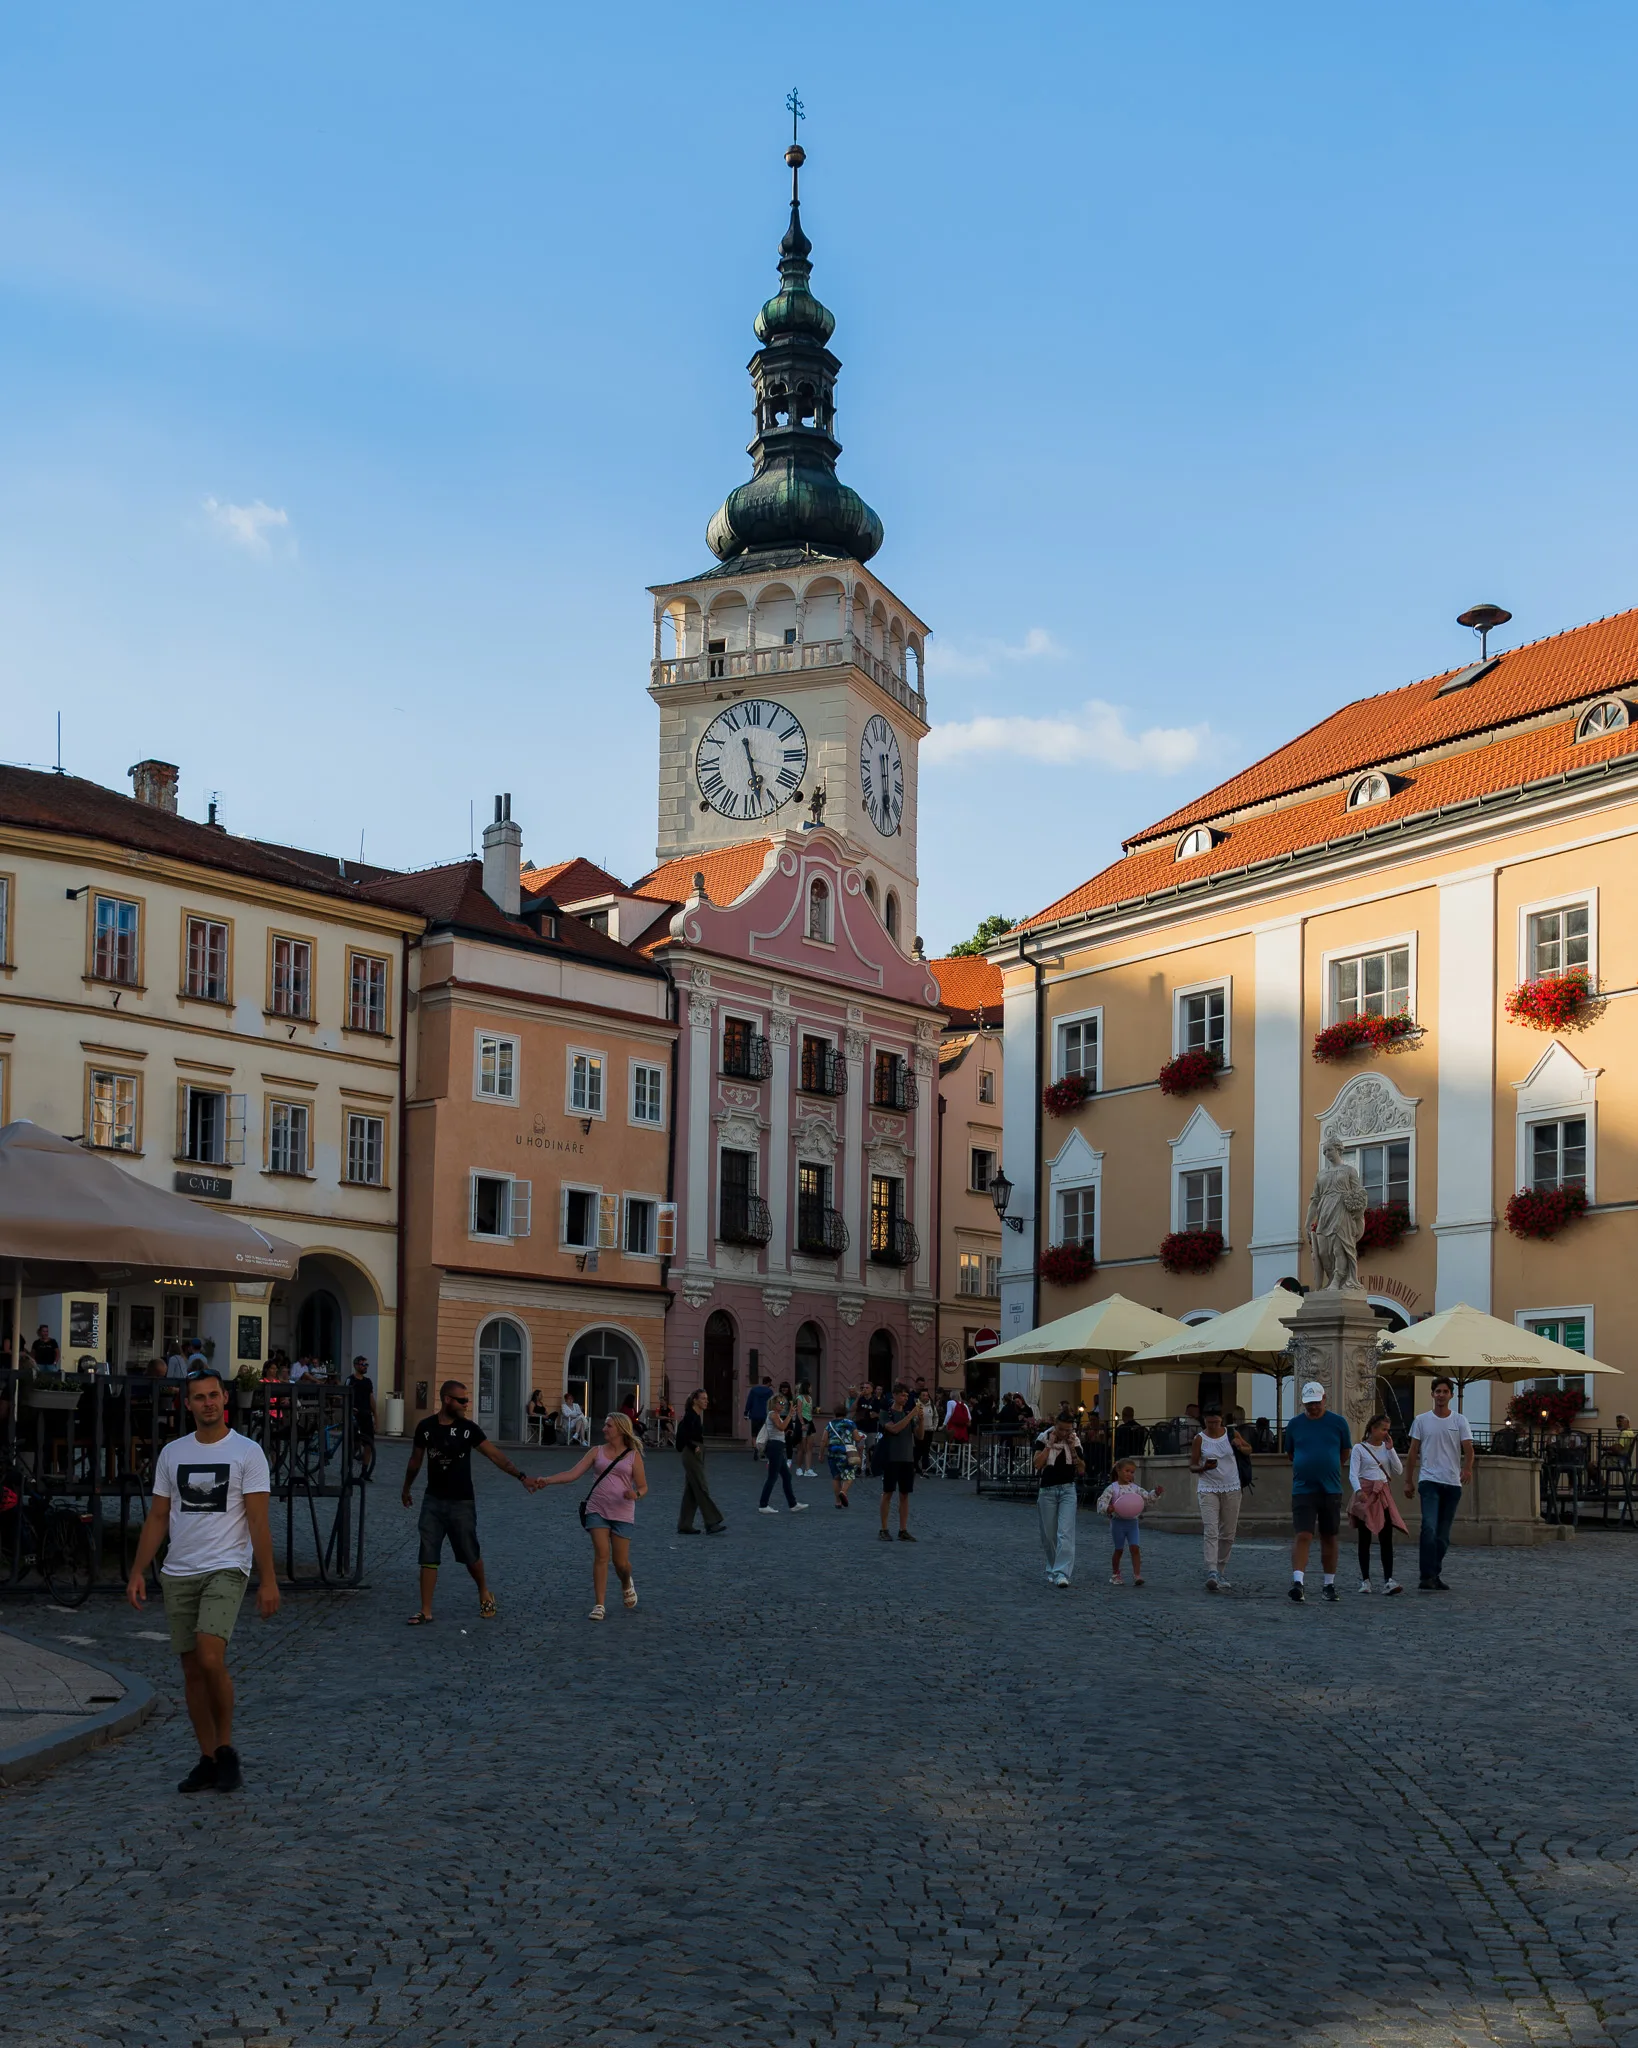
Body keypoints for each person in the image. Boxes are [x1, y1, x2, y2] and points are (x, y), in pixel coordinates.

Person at [125, 1364, 279, 1794]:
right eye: (199, 1397)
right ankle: (207, 1757)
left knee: (211, 1657)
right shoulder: (173, 1453)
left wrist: (268, 1580)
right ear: (187, 1403)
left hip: (227, 1567)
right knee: (192, 1670)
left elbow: (259, 1521)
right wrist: (138, 1570)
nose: (208, 1403)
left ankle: (227, 1750)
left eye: (214, 1395)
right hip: (179, 1571)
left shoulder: (247, 1452)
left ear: (225, 1399)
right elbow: (158, 1516)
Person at [401, 1379, 546, 1625]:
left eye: (467, 1400)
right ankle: (425, 1610)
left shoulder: (469, 1429)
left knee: (470, 1554)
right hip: (433, 1501)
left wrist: (521, 1476)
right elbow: (415, 1461)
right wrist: (406, 1489)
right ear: (447, 1399)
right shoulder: (426, 1428)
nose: (466, 1404)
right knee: (428, 1553)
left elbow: (495, 1456)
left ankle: (483, 1591)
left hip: (461, 1502)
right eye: (462, 1400)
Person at [541, 1411, 648, 1619]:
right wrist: (547, 1480)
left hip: (623, 1512)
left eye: (608, 1426)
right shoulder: (596, 1451)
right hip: (597, 1509)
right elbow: (572, 1474)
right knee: (601, 1555)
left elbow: (643, 1487)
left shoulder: (633, 1456)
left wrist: (635, 1494)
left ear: (620, 1429)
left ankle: (626, 1582)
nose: (603, 1429)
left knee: (621, 1563)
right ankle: (599, 1605)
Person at [1404, 1376, 1474, 1591]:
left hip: (1452, 1483)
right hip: (1429, 1480)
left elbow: (1468, 1448)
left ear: (1451, 1395)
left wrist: (1467, 1467)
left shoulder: (1459, 1420)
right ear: (1432, 1394)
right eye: (1438, 1391)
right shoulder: (1422, 1420)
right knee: (1429, 1528)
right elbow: (1413, 1451)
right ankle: (1426, 1576)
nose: (1441, 1395)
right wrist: (1408, 1481)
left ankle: (1434, 1572)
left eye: (1445, 1391)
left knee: (1443, 1536)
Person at [1288, 1379, 1352, 1603]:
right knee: (1303, 1533)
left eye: (1316, 1403)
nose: (1313, 1407)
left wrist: (1330, 1466)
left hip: (1330, 1488)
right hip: (1303, 1488)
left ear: (1324, 1399)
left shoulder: (1338, 1423)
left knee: (1329, 1535)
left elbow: (1345, 1452)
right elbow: (1291, 1453)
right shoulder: (1295, 1425)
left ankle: (1329, 1583)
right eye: (1308, 1404)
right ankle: (1298, 1581)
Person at [1190, 1407, 1250, 1592]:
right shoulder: (1199, 1438)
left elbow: (1249, 1450)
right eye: (1209, 1423)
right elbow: (1192, 1464)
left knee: (1228, 1532)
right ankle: (1212, 1570)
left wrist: (1240, 1445)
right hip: (1208, 1487)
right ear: (1204, 1421)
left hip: (1232, 1486)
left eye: (1216, 1422)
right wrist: (1203, 1467)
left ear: (1222, 1420)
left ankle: (1221, 1569)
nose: (1213, 1426)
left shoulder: (1231, 1433)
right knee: (1211, 1529)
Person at [1350, 1414, 1406, 1595]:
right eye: (1383, 1429)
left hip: (1383, 1495)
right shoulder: (1359, 1448)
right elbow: (1353, 1473)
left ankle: (1388, 1579)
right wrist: (1359, 1491)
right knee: (1364, 1538)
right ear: (1373, 1429)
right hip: (1366, 1494)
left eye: (1387, 1430)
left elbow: (1398, 1470)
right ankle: (1365, 1580)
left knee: (1385, 1538)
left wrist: (1391, 1450)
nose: (1385, 1433)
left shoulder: (1386, 1448)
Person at [1033, 1415, 1084, 1587]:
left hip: (1068, 1489)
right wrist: (1049, 1446)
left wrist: (1072, 1448)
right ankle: (1053, 1568)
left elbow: (1082, 1468)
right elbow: (1037, 1464)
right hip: (1047, 1490)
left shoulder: (1074, 1440)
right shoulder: (1043, 1438)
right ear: (1055, 1426)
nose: (1063, 1433)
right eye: (1061, 1429)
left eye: (1067, 1430)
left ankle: (1062, 1573)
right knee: (1049, 1534)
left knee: (1065, 1533)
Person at [1097, 1459, 1162, 1586]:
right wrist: (1107, 1508)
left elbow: (1147, 1498)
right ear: (1118, 1471)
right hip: (1118, 1523)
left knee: (1135, 1548)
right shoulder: (1112, 1488)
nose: (1130, 1474)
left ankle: (1137, 1575)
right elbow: (1101, 1502)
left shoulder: (1135, 1488)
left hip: (1132, 1523)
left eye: (1132, 1472)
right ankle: (1115, 1574)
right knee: (1119, 1549)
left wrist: (1156, 1493)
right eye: (1127, 1471)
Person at [675, 1389, 725, 1534]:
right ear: (695, 1400)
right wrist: (694, 1446)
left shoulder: (695, 1416)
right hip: (691, 1453)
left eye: (706, 1398)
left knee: (691, 1490)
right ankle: (712, 1521)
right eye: (703, 1398)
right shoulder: (691, 1416)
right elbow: (683, 1436)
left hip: (696, 1452)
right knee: (701, 1487)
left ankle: (685, 1524)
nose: (706, 1401)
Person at [877, 1382, 922, 1542]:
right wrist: (910, 1415)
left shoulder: (909, 1414)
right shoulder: (886, 1413)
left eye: (907, 1396)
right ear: (895, 1395)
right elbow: (894, 1429)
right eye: (902, 1395)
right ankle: (883, 1528)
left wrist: (921, 1419)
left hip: (907, 1458)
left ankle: (903, 1529)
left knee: (905, 1494)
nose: (905, 1398)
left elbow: (920, 1435)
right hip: (891, 1457)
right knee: (888, 1492)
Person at [756, 1387, 807, 1514]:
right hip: (774, 1447)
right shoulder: (773, 1414)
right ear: (774, 1404)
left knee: (787, 1476)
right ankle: (763, 1505)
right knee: (772, 1477)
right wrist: (790, 1415)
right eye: (780, 1402)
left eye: (783, 1403)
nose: (782, 1405)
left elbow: (780, 1429)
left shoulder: (776, 1415)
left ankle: (793, 1504)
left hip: (778, 1447)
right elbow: (781, 1427)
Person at [825, 1404, 863, 1507]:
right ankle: (843, 1491)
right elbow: (857, 1438)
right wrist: (861, 1437)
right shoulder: (850, 1423)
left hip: (832, 1453)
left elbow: (824, 1440)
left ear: (834, 1413)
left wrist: (820, 1454)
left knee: (836, 1477)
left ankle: (838, 1502)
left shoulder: (830, 1424)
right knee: (850, 1475)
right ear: (845, 1413)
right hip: (846, 1453)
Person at [347, 1355, 377, 1480]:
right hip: (355, 1414)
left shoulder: (368, 1381)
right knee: (354, 1444)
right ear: (355, 1366)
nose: (365, 1367)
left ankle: (364, 1472)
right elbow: (346, 1395)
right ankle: (347, 1468)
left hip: (366, 1415)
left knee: (369, 1444)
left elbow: (371, 1399)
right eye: (362, 1364)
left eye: (366, 1365)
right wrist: (349, 1408)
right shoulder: (350, 1380)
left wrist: (376, 1415)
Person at [744, 1374, 774, 1456]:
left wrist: (746, 1412)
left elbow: (749, 1401)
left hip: (754, 1415)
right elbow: (772, 1404)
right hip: (765, 1416)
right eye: (770, 1385)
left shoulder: (753, 1390)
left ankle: (755, 1448)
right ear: (768, 1383)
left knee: (754, 1434)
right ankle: (762, 1451)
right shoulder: (769, 1392)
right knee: (764, 1434)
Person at [793, 1380, 817, 1475]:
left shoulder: (810, 1398)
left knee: (809, 1446)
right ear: (806, 1388)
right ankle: (799, 1468)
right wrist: (802, 1424)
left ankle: (808, 1469)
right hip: (802, 1422)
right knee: (801, 1447)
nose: (811, 1389)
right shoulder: (800, 1398)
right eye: (810, 1387)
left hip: (809, 1421)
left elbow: (809, 1411)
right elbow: (799, 1411)